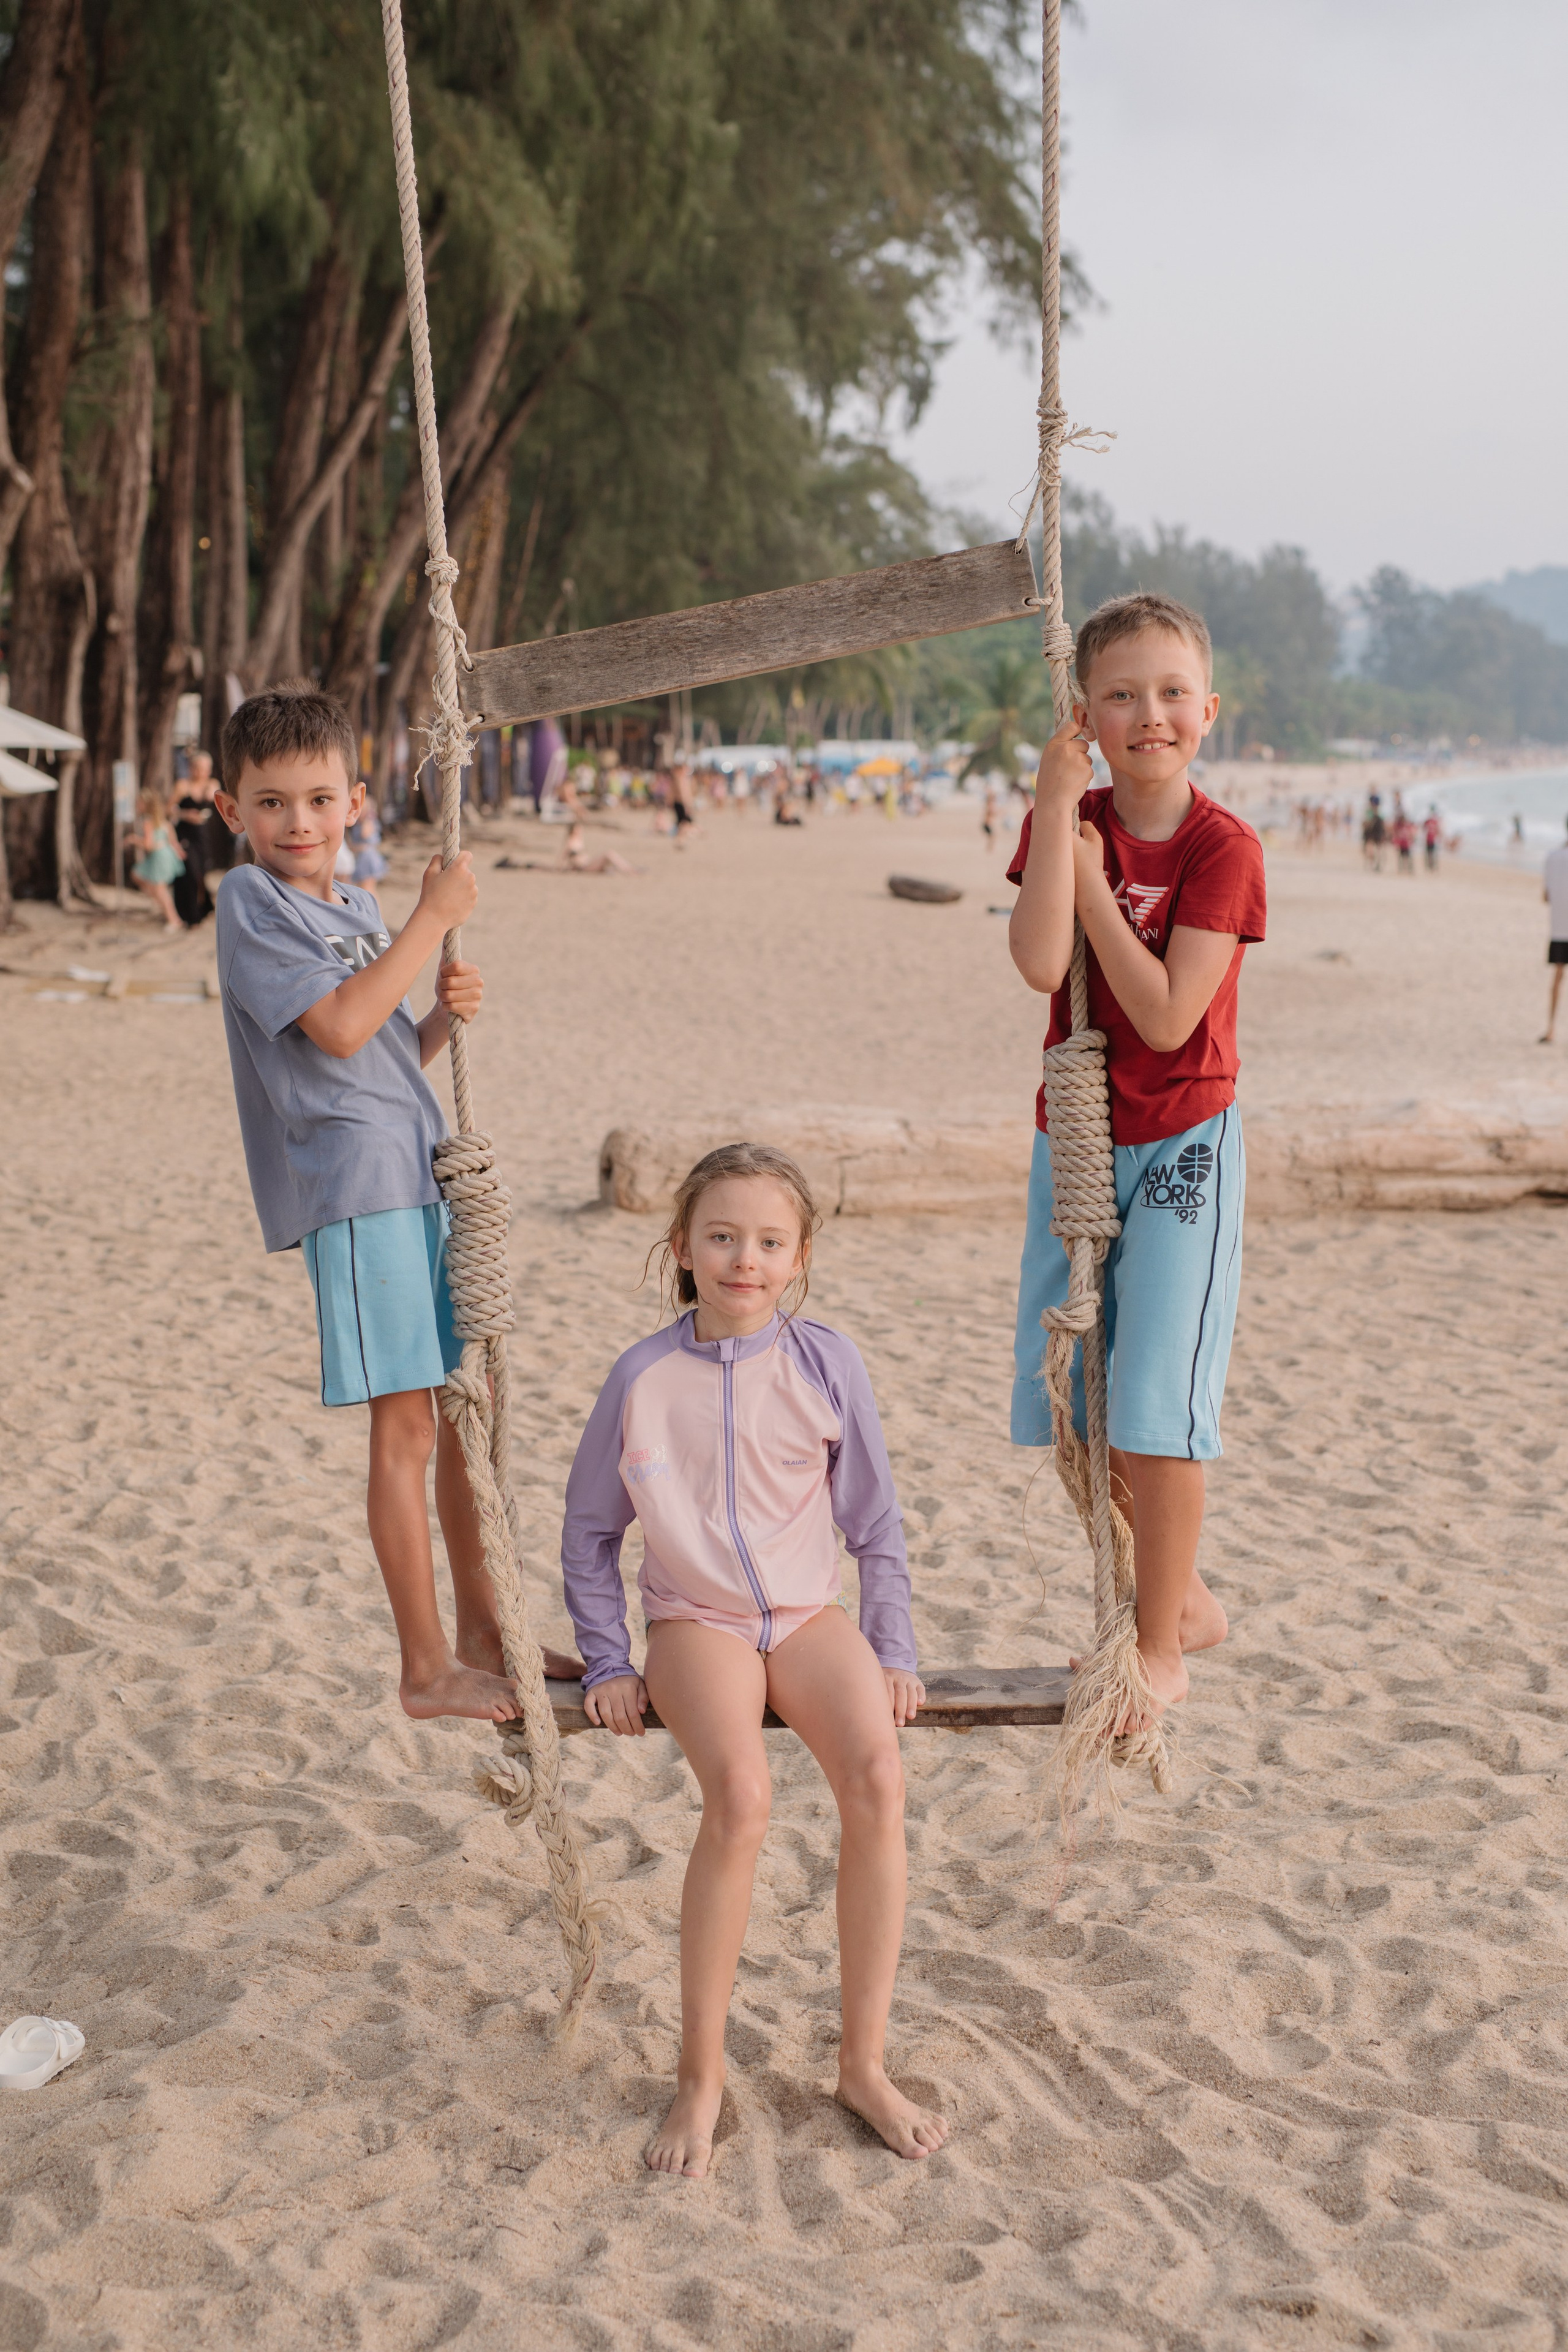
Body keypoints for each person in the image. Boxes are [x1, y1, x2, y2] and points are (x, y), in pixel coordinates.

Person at [561, 1142, 944, 2180]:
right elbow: (589, 1533)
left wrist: (892, 1646)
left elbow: (875, 1522)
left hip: (807, 1615)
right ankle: (700, 2075)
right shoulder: (642, 1377)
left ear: (800, 1255)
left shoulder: (829, 1362)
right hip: (698, 1623)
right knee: (742, 1797)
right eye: (722, 1237)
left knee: (878, 1776)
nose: (745, 1259)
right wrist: (606, 1660)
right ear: (681, 1248)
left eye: (770, 1242)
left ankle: (862, 2064)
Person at [211, 680, 580, 1723]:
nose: (299, 824)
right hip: (356, 1186)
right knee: (408, 1425)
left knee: (471, 1412)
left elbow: (374, 1051)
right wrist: (432, 923)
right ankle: (424, 1669)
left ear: (355, 802)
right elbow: (329, 1033)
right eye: (273, 802)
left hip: (416, 1167)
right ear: (233, 809)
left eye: (319, 800)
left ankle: (482, 1630)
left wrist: (435, 1021)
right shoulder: (252, 903)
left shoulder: (357, 910)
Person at [1006, 590, 1265, 1730]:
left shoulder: (1224, 849)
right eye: (1121, 694)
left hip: (1183, 1148)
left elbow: (1165, 1018)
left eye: (1170, 693)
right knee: (1071, 1402)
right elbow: (1035, 964)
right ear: (1087, 715)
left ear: (1208, 711)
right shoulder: (1066, 810)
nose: (1147, 713)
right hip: (1075, 1140)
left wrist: (1099, 882)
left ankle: (1159, 1648)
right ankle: (1182, 1600)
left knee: (1157, 1400)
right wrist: (1059, 811)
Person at [131, 788, 186, 930]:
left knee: (160, 889)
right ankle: (168, 914)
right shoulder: (162, 820)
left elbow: (148, 845)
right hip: (167, 854)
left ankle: (174, 920)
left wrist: (134, 840)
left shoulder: (148, 822)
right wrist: (177, 851)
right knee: (145, 879)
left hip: (159, 856)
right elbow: (172, 838)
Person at [1539, 818, 1568, 1044]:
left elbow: (1546, 897)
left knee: (1557, 980)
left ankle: (1551, 1029)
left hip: (1559, 928)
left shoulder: (1552, 857)